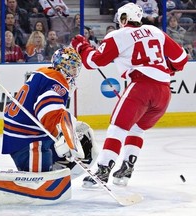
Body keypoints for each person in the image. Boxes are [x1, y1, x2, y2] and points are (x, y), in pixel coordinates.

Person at [71, 2, 188, 187]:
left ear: (124, 18)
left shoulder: (118, 35)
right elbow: (182, 58)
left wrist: (81, 47)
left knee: (117, 127)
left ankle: (103, 169)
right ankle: (126, 169)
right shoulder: (155, 31)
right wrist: (168, 69)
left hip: (141, 85)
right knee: (136, 129)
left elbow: (93, 62)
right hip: (164, 91)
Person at [2, 47, 84, 172]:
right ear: (61, 66)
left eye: (76, 67)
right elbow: (46, 107)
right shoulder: (58, 81)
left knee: (85, 138)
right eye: (71, 66)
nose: (74, 71)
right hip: (28, 137)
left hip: (21, 130)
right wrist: (61, 135)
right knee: (39, 180)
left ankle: (55, 172)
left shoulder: (44, 72)